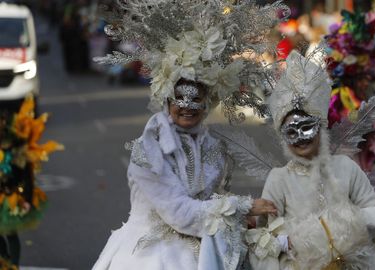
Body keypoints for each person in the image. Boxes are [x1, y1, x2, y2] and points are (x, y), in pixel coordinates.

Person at [91, 1, 289, 269]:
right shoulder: (148, 149)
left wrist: (242, 220)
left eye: (196, 97)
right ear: (166, 97)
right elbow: (178, 212)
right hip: (150, 255)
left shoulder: (212, 145)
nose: (187, 106)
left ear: (208, 100)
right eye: (180, 98)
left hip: (204, 248)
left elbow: (208, 201)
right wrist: (242, 207)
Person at [246, 51, 375, 270]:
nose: (301, 138)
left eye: (307, 127)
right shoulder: (279, 179)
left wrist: (349, 226)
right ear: (283, 136)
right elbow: (265, 235)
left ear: (320, 127)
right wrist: (291, 240)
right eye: (291, 131)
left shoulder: (346, 166)